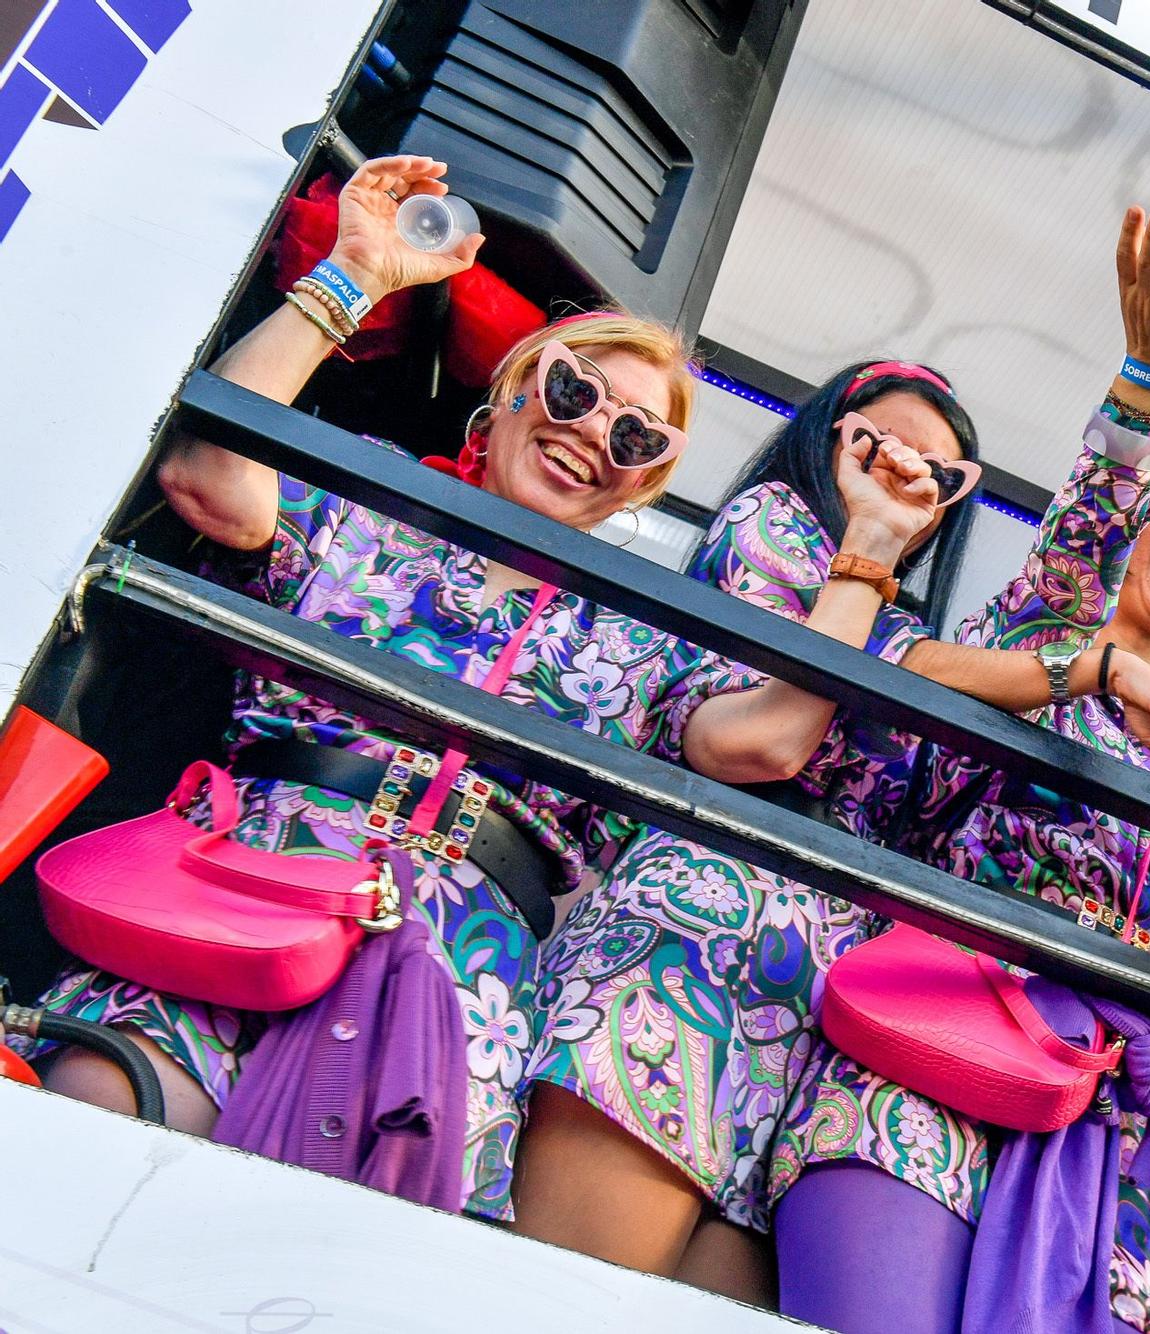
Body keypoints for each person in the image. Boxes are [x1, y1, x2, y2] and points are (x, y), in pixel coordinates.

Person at [16, 155, 852, 1221]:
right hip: (261, 858)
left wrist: (863, 552)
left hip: (466, 955)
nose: (593, 432)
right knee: (94, 1136)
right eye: (573, 391)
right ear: (508, 395)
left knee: (325, 1256)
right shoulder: (371, 496)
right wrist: (354, 274)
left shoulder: (648, 634)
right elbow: (207, 474)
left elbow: (767, 743)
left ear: (639, 482)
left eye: (635, 438)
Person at [512, 208, 1150, 1306]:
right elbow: (801, 713)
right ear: (824, 438)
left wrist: (1142, 395)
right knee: (564, 1304)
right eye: (878, 440)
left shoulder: (949, 641)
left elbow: (1042, 601)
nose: (905, 466)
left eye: (938, 476)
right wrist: (1080, 662)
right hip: (701, 937)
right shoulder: (775, 534)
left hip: (833, 1008)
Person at [767, 210, 1150, 1334]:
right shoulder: (1044, 630)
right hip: (928, 1048)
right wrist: (1149, 383)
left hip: (1095, 1127)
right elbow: (1072, 532)